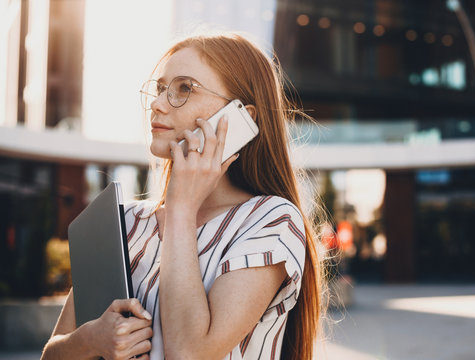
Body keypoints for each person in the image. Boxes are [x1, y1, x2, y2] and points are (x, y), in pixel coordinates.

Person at [42, 31, 323, 360]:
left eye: (184, 88)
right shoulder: (126, 222)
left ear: (241, 118)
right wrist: (92, 339)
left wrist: (181, 208)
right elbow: (50, 356)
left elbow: (189, 353)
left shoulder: (271, 220)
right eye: (160, 88)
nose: (158, 104)